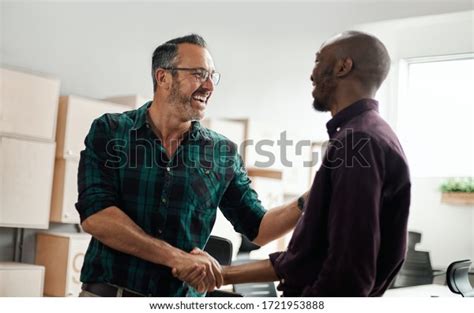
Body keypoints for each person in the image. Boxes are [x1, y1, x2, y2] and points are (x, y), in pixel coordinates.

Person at [75, 34, 306, 297]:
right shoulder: (111, 131)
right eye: (198, 74)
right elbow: (97, 216)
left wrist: (309, 199)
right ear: (163, 77)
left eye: (212, 76)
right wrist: (176, 258)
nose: (209, 86)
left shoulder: (222, 152)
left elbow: (259, 229)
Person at [195, 30, 411, 297]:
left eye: (319, 61)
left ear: (343, 66)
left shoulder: (357, 141)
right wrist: (222, 274)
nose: (312, 74)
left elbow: (349, 274)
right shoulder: (372, 135)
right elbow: (306, 259)